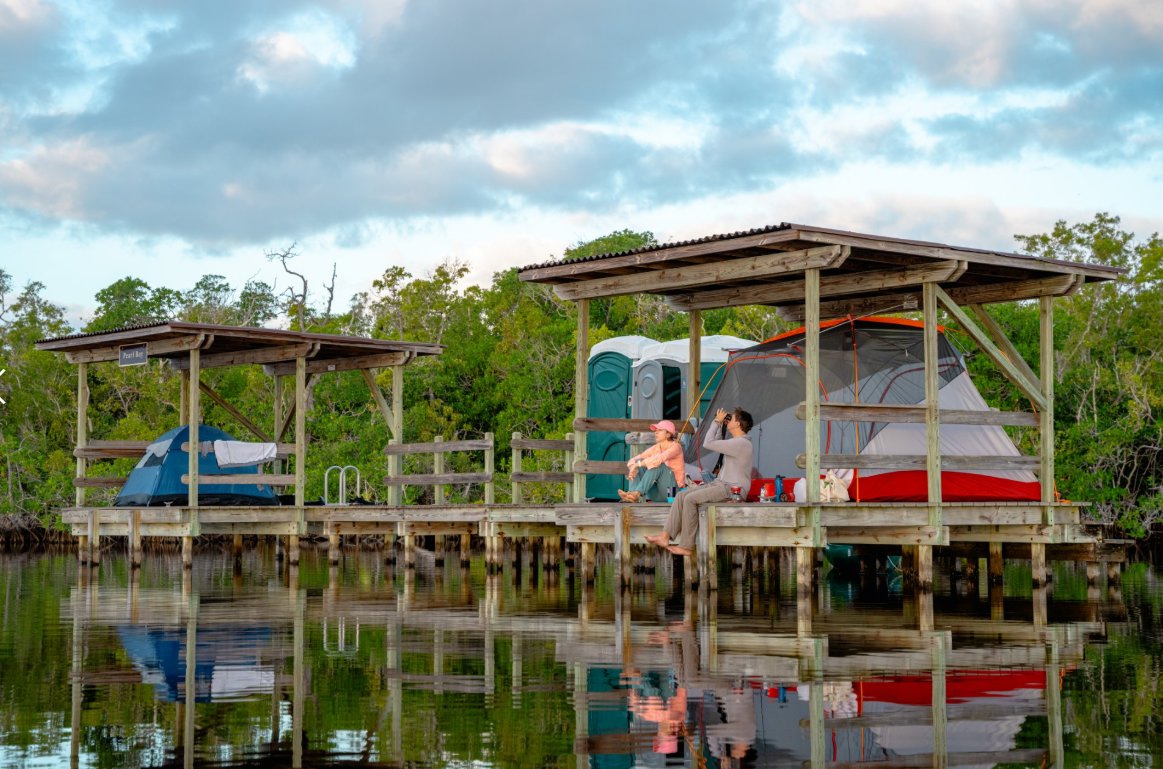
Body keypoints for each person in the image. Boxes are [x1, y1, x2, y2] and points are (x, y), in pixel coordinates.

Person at [645, 406, 753, 556]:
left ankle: (686, 546)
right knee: (681, 496)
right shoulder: (735, 442)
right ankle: (665, 536)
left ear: (738, 424)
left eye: (731, 418)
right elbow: (716, 442)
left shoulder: (742, 443)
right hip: (721, 484)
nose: (728, 419)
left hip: (732, 489)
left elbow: (708, 443)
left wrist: (716, 422)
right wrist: (719, 425)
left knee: (690, 499)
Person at [618, 420, 686, 503]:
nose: (656, 432)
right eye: (656, 430)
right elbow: (634, 460)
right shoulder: (656, 448)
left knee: (658, 465)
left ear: (668, 434)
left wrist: (637, 464)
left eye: (660, 430)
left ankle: (636, 493)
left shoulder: (676, 447)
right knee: (639, 463)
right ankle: (632, 496)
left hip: (672, 495)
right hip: (657, 496)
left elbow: (658, 459)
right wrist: (634, 467)